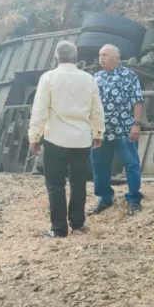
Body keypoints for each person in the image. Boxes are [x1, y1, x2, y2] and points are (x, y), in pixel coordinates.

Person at [28, 41, 105, 238]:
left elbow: (40, 110)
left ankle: (59, 229)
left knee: (55, 184)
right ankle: (78, 225)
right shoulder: (88, 79)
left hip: (55, 138)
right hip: (81, 139)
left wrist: (34, 136)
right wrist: (98, 132)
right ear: (76, 57)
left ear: (56, 58)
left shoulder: (49, 78)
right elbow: (97, 108)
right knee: (79, 183)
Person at [89, 44, 145, 216]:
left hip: (123, 129)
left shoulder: (129, 76)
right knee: (99, 164)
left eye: (105, 54)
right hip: (101, 131)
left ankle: (134, 199)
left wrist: (136, 124)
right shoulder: (96, 77)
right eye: (100, 54)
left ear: (116, 57)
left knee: (131, 164)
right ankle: (104, 198)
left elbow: (137, 101)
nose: (101, 58)